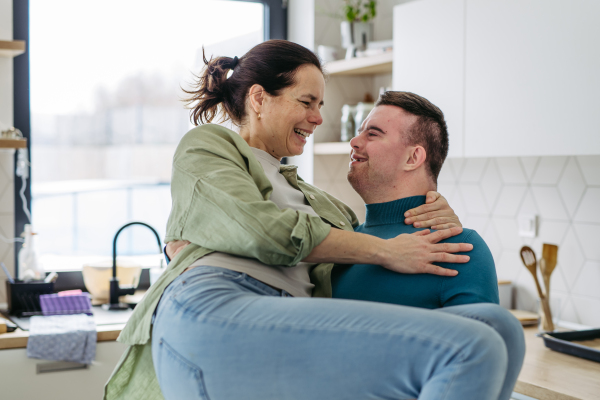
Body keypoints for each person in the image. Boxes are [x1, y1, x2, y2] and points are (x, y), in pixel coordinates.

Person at [104, 40, 510, 400]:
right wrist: (387, 251)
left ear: (413, 157)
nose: (319, 119)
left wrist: (434, 210)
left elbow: (328, 241)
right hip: (219, 303)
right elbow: (260, 230)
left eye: (320, 105)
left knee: (500, 330)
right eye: (306, 102)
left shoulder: (322, 205)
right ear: (259, 99)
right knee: (479, 345)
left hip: (280, 319)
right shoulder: (211, 146)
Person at [332, 91, 525, 400]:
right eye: (359, 132)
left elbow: (478, 375)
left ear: (414, 158)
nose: (354, 142)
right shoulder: (342, 242)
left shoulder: (458, 248)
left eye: (373, 133)